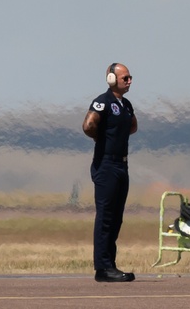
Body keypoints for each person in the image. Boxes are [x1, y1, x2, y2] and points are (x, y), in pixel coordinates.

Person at [82, 62, 138, 282]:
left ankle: (110, 264)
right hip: (106, 165)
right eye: (125, 78)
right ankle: (102, 268)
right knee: (105, 217)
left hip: (122, 165)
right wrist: (101, 137)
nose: (129, 81)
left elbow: (132, 126)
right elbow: (88, 125)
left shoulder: (126, 105)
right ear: (112, 80)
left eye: (130, 77)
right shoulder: (102, 102)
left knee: (116, 218)